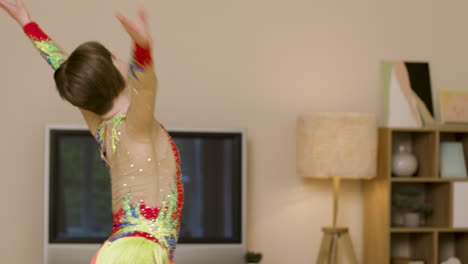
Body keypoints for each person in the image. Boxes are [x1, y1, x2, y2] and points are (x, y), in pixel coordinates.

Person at [0, 1, 184, 263]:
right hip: (137, 252)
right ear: (112, 75)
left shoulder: (99, 125)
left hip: (122, 249)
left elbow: (60, 64)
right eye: (115, 57)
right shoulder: (135, 126)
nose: (120, 58)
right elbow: (145, 87)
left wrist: (26, 23)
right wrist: (142, 47)